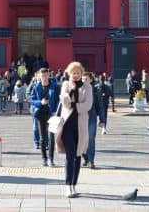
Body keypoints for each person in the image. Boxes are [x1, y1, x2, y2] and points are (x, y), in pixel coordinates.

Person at [56, 61, 93, 198]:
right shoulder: (65, 85)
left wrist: (73, 105)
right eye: (73, 73)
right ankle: (67, 186)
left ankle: (73, 185)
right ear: (69, 73)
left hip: (81, 125)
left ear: (81, 73)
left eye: (78, 72)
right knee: (70, 155)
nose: (76, 75)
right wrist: (71, 93)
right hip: (67, 125)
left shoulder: (87, 87)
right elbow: (64, 102)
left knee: (77, 156)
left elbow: (88, 105)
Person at [29, 68, 59, 166]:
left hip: (51, 114)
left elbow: (59, 100)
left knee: (51, 137)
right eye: (42, 76)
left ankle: (51, 159)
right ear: (39, 77)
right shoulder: (36, 87)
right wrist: (40, 102)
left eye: (46, 76)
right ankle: (44, 159)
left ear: (49, 75)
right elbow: (31, 100)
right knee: (42, 138)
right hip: (40, 114)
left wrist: (56, 112)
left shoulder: (55, 86)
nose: (45, 78)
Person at [82, 72, 105, 169]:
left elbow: (100, 106)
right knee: (82, 140)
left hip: (91, 118)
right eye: (83, 79)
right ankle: (86, 158)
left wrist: (102, 120)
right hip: (81, 118)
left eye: (86, 79)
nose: (84, 81)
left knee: (91, 139)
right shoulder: (78, 89)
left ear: (91, 80)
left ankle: (91, 160)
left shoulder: (95, 90)